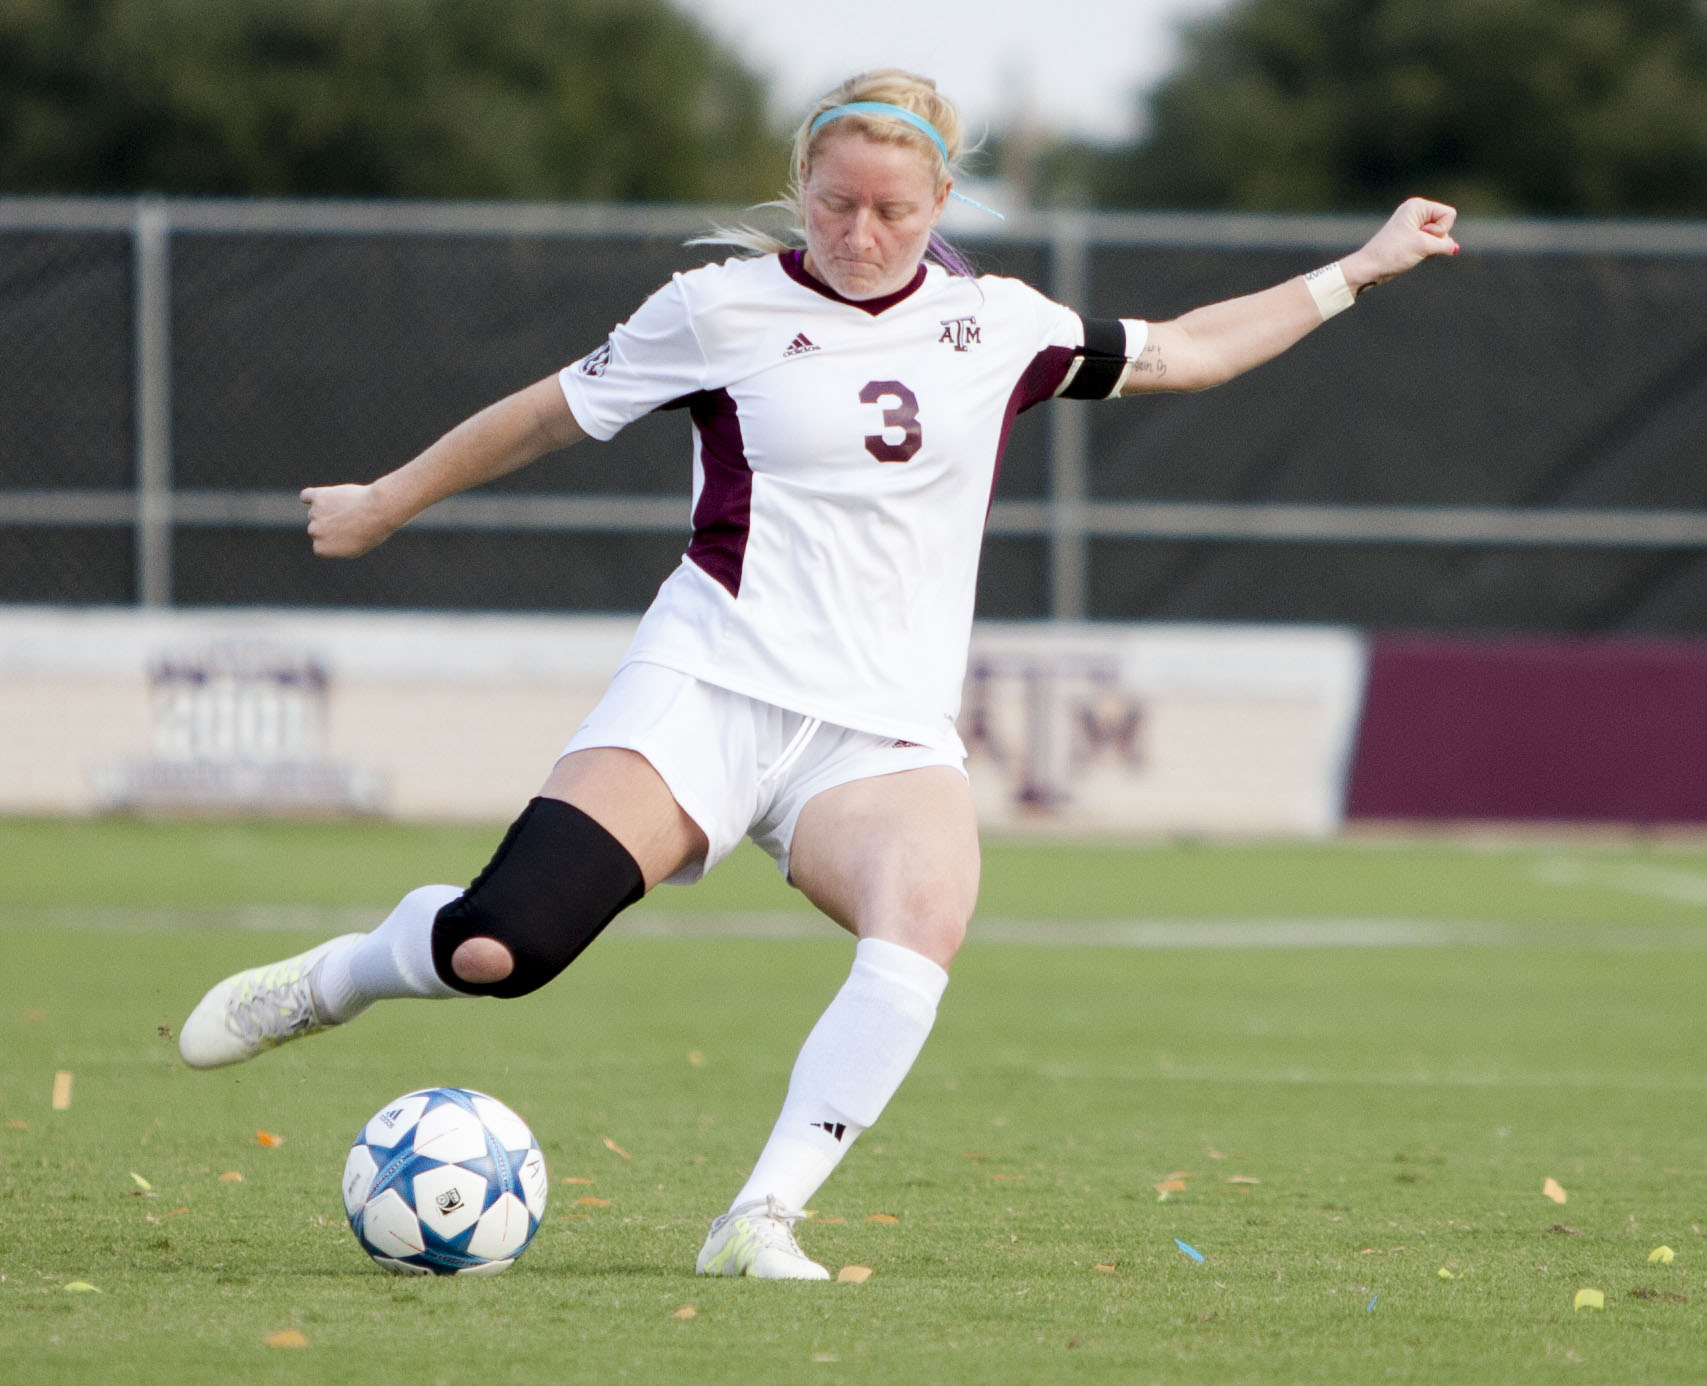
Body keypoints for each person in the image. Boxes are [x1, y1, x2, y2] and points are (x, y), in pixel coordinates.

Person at [179, 69, 1458, 1279]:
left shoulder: (1000, 322)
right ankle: (344, 973)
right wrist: (385, 501)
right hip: (710, 686)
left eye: (894, 211)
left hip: (879, 734)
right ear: (802, 184)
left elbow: (1190, 349)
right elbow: (544, 412)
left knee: (924, 923)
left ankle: (759, 1213)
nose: (860, 232)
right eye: (836, 203)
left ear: (941, 205)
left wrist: (1359, 268)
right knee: (497, 951)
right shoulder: (718, 307)